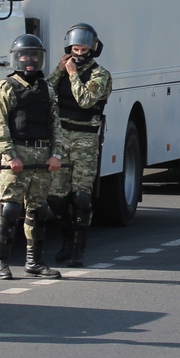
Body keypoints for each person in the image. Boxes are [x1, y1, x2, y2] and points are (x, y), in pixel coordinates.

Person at [0, 34, 63, 280]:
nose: (29, 61)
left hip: (41, 160)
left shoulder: (47, 89)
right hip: (16, 160)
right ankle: (1, 261)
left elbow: (55, 125)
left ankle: (35, 262)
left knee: (38, 211)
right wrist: (10, 156)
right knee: (10, 209)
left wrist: (55, 155)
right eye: (24, 56)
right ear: (15, 59)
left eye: (34, 56)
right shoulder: (6, 87)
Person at [46, 24, 111, 267]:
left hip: (85, 139)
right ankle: (66, 238)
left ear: (92, 50)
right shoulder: (63, 71)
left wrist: (73, 74)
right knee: (55, 197)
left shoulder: (100, 75)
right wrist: (59, 71)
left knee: (81, 196)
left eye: (83, 49)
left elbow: (85, 100)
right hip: (61, 137)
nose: (78, 53)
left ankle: (78, 249)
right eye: (74, 48)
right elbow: (44, 93)